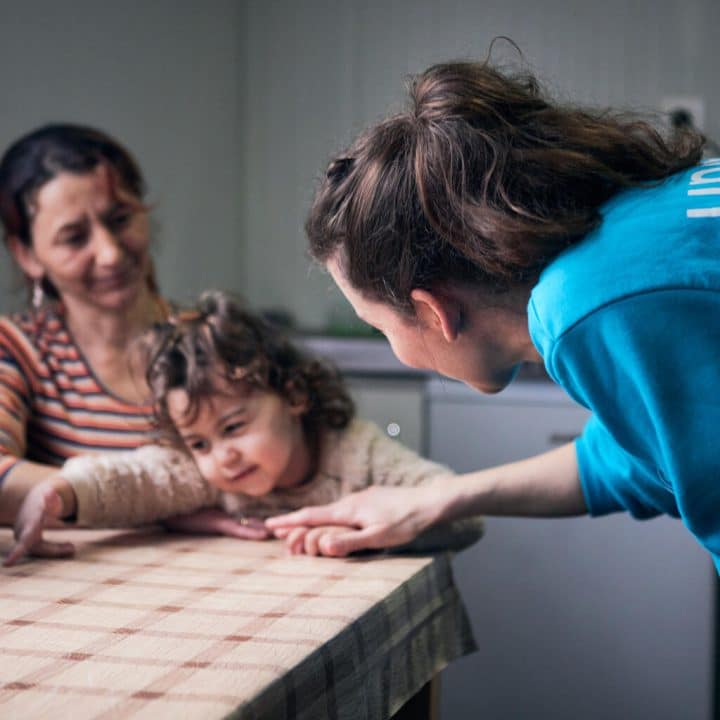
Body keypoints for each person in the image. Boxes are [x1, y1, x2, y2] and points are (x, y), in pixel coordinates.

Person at [266, 59, 720, 571]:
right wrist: (437, 499)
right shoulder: (633, 225)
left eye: (381, 327)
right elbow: (646, 456)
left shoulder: (585, 307)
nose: (394, 347)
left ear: (432, 311)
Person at [5, 290, 482, 565]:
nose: (221, 456)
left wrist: (375, 530)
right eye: (198, 442)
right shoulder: (211, 474)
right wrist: (62, 491)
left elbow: (461, 512)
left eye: (234, 426)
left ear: (293, 395)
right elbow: (138, 476)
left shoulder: (356, 454)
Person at [0, 123, 175, 532]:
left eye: (120, 219)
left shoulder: (216, 340)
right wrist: (182, 501)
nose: (110, 253)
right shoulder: (18, 348)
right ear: (26, 254)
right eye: (74, 237)